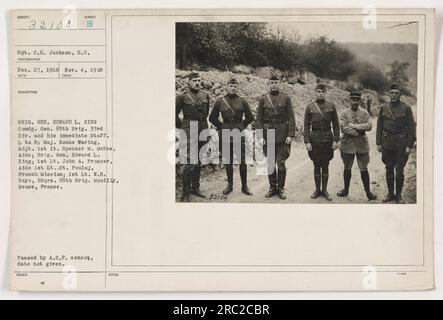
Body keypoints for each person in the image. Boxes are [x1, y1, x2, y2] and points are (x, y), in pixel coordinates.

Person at [209, 77, 254, 196]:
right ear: (227, 86)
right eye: (231, 86)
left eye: (235, 86)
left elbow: (250, 117)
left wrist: (240, 126)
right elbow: (212, 118)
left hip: (239, 133)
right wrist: (222, 126)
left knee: (242, 161)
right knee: (227, 161)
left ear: (237, 87)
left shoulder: (242, 101)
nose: (233, 88)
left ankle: (244, 186)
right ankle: (229, 186)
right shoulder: (220, 101)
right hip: (225, 134)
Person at [255, 75, 296, 199]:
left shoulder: (286, 98)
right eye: (272, 82)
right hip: (268, 135)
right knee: (270, 163)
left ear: (279, 83)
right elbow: (259, 119)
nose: (274, 84)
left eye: (276, 82)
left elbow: (291, 117)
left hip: (283, 135)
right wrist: (260, 136)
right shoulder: (263, 99)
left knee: (281, 163)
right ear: (268, 83)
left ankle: (281, 188)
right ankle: (272, 187)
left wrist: (290, 134)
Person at [376, 83, 416, 204]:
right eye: (392, 93)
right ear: (389, 94)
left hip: (401, 142)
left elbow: (411, 127)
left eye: (396, 93)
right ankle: (390, 194)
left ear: (400, 94)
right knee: (388, 167)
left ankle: (398, 195)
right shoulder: (383, 107)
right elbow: (379, 126)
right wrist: (379, 142)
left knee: (399, 169)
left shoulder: (406, 108)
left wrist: (409, 145)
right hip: (387, 142)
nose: (394, 95)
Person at [175, 72, 210, 202]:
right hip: (189, 129)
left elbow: (205, 113)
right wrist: (184, 127)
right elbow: (174, 114)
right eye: (194, 80)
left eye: (199, 80)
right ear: (189, 82)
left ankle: (196, 187)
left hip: (202, 128)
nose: (197, 83)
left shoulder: (205, 95)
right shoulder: (181, 97)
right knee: (189, 162)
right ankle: (185, 192)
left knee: (199, 160)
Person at [337, 91, 377, 200]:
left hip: (362, 145)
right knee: (347, 168)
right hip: (347, 145)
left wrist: (355, 126)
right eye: (353, 99)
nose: (355, 102)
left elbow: (369, 126)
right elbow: (343, 128)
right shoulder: (344, 113)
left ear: (360, 101)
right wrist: (357, 131)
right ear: (350, 100)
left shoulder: (365, 113)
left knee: (364, 169)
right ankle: (345, 190)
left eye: (357, 100)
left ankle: (368, 192)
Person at [303, 84, 340, 201]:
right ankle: (317, 190)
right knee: (316, 164)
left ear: (325, 93)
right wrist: (307, 141)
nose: (320, 93)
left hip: (327, 139)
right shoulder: (310, 107)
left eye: (322, 92)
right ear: (315, 92)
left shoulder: (331, 106)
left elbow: (336, 125)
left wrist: (336, 140)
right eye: (318, 91)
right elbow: (306, 126)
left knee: (325, 164)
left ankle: (324, 190)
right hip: (315, 139)